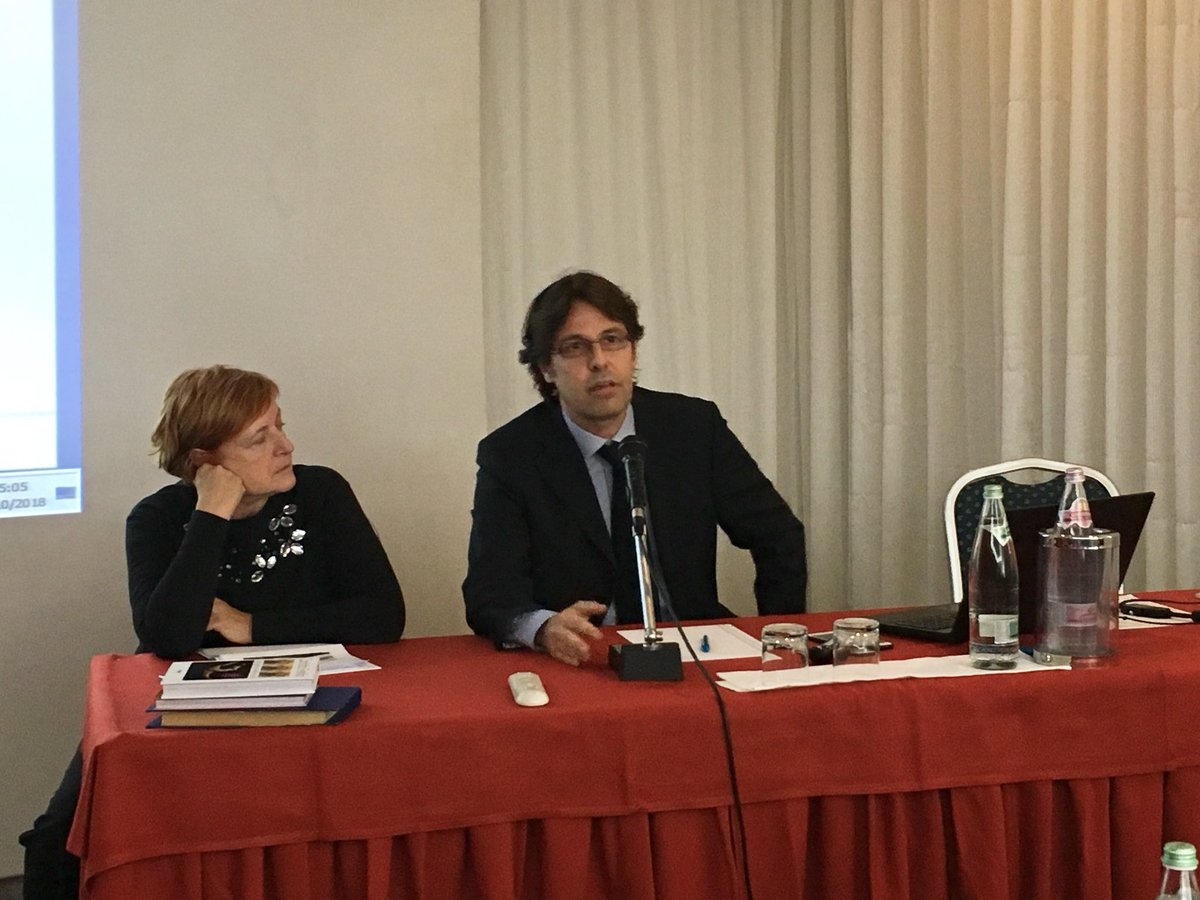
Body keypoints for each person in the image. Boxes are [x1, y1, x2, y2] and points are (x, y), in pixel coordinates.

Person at [20, 364, 405, 900]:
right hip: (188, 707)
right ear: (205, 461)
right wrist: (212, 512)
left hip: (311, 700)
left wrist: (247, 625)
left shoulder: (322, 492)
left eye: (280, 426)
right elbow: (167, 638)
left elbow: (383, 615)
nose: (286, 445)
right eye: (259, 438)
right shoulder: (156, 518)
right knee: (58, 837)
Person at [463, 271, 806, 666]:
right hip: (581, 658)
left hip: (691, 652)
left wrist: (779, 640)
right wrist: (542, 628)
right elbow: (489, 593)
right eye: (575, 347)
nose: (599, 361)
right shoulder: (512, 454)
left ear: (633, 351)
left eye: (612, 340)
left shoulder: (693, 428)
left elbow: (778, 535)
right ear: (546, 368)